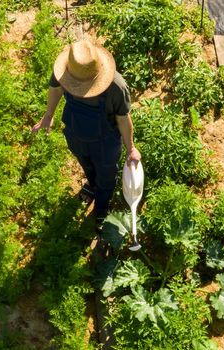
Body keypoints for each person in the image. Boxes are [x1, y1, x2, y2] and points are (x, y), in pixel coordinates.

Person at [31, 40, 140, 227]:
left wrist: (131, 148)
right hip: (75, 133)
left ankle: (102, 206)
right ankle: (91, 184)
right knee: (86, 163)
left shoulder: (116, 87)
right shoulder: (68, 70)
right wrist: (48, 114)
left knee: (106, 175)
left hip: (105, 143)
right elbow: (55, 88)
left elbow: (123, 119)